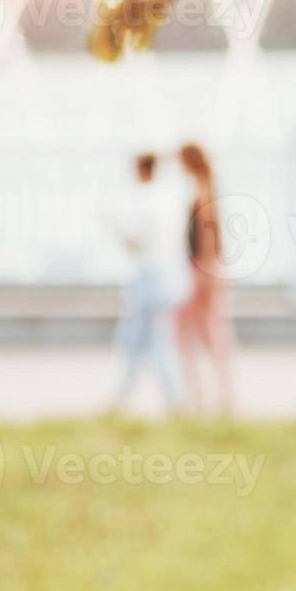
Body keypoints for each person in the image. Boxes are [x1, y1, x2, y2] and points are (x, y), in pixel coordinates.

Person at [107, 151, 191, 414]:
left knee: (151, 342)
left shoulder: (145, 201)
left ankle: (173, 400)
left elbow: (134, 242)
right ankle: (124, 398)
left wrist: (114, 225)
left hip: (152, 281)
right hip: (169, 277)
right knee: (143, 341)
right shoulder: (168, 198)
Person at [174, 142, 235, 415]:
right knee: (205, 334)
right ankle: (211, 393)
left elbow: (208, 237)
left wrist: (209, 275)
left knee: (202, 334)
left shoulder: (204, 192)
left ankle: (206, 394)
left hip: (202, 269)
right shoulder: (206, 187)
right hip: (203, 268)